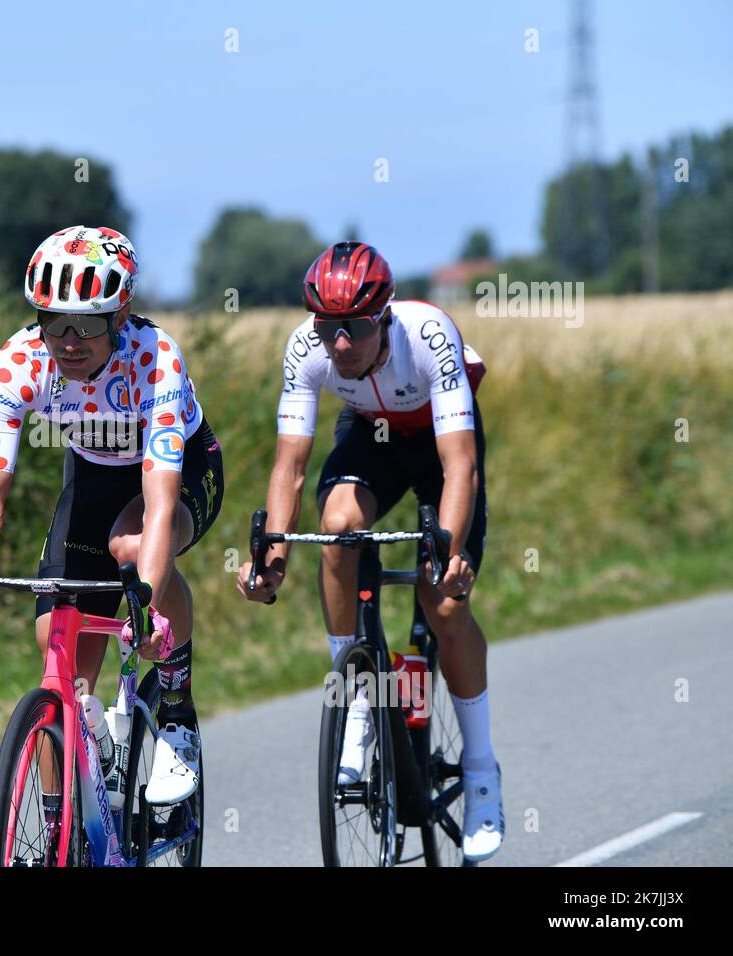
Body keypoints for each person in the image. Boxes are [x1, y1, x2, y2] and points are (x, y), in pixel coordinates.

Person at [0, 225, 224, 819]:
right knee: (56, 645)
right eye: (52, 321)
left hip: (179, 470)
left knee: (131, 545)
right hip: (91, 472)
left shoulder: (153, 357)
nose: (67, 340)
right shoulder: (18, 361)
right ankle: (65, 821)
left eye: (86, 324)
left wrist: (149, 609)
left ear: (121, 313)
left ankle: (177, 711)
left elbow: (160, 502)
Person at [237, 240, 503, 862]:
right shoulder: (307, 350)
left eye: (354, 329)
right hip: (370, 438)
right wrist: (272, 557)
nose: (340, 345)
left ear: (383, 317)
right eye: (328, 329)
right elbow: (291, 469)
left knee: (442, 604)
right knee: (338, 527)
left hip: (439, 439)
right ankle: (358, 696)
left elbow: (460, 464)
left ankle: (483, 773)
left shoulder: (429, 335)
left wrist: (450, 551)